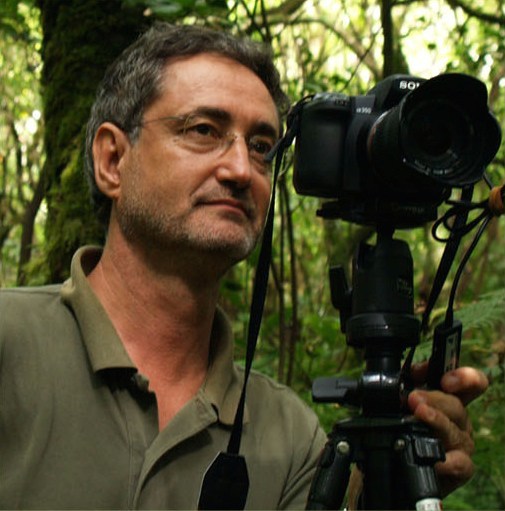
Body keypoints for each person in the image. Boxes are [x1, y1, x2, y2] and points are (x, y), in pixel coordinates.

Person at [0, 22, 488, 510]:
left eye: (261, 148)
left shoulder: (291, 434)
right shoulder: (11, 344)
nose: (239, 169)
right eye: (203, 130)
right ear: (112, 160)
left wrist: (394, 488)